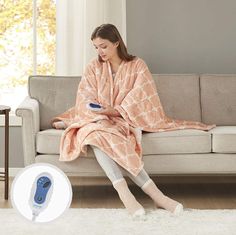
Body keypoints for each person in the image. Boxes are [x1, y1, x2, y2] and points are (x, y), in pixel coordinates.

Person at [51, 23, 216, 218]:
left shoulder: (137, 65)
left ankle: (147, 196)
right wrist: (101, 113)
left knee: (100, 135)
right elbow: (85, 96)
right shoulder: (93, 67)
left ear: (116, 42)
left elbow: (142, 96)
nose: (99, 51)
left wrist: (117, 110)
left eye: (103, 46)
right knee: (96, 133)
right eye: (96, 47)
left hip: (123, 118)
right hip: (97, 119)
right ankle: (143, 195)